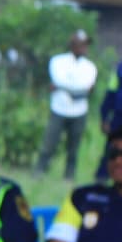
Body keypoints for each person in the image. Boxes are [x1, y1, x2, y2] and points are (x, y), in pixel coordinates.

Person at [38, 29, 96, 181]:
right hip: (59, 109)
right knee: (49, 143)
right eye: (81, 45)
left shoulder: (90, 67)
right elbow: (60, 80)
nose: (84, 48)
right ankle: (39, 171)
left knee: (73, 147)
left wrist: (64, 87)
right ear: (73, 45)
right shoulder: (58, 61)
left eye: (85, 45)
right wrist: (76, 87)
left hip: (79, 112)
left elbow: (86, 86)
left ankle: (69, 177)